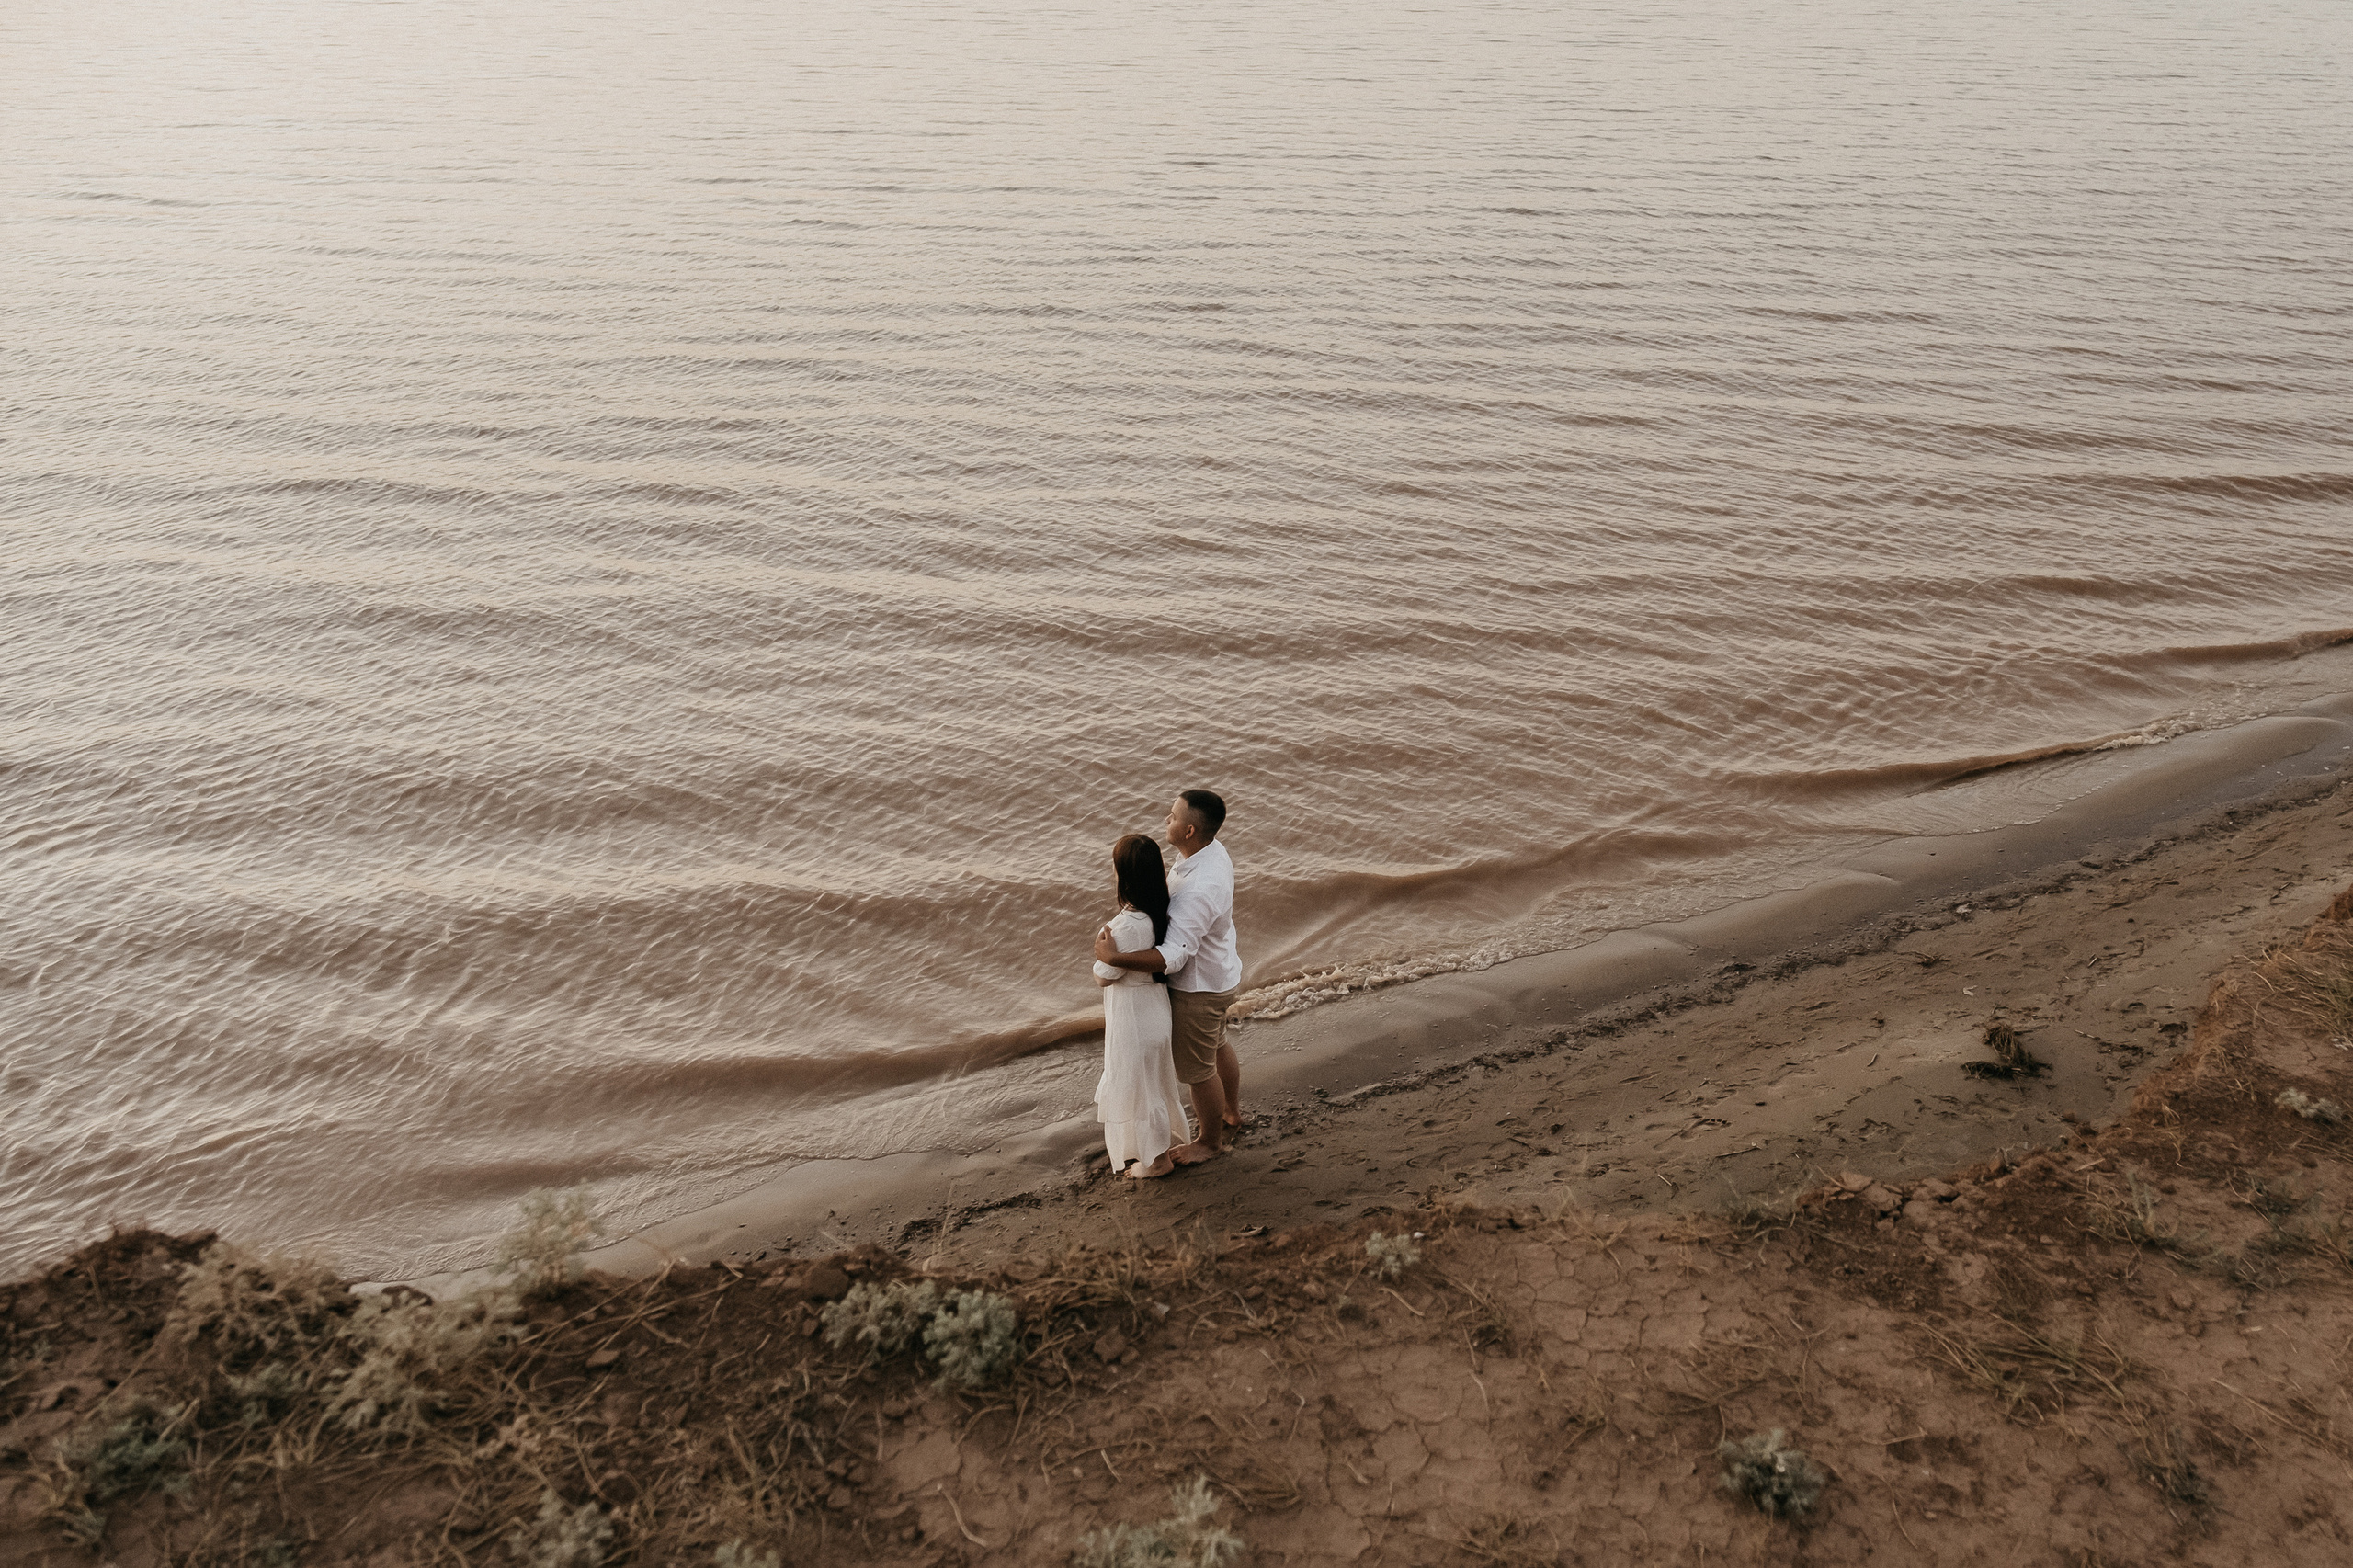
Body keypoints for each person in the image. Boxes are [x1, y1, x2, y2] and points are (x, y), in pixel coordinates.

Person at [1092, 790, 1241, 1163]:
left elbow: (1172, 958)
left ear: (1190, 830)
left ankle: (1209, 1142)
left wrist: (1117, 957)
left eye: (1172, 817)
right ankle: (1231, 1111)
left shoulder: (1200, 888)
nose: (1166, 820)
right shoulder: (1209, 851)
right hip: (1219, 972)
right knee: (1217, 1045)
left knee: (1198, 1069)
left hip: (1199, 988)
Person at [1091, 834, 1192, 1179]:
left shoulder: (1122, 926)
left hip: (1132, 1016)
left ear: (1124, 876)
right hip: (1156, 1009)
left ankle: (1156, 1161)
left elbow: (1104, 976)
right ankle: (1155, 1151)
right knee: (1155, 1084)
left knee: (1138, 1087)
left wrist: (1100, 954)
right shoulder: (1160, 914)